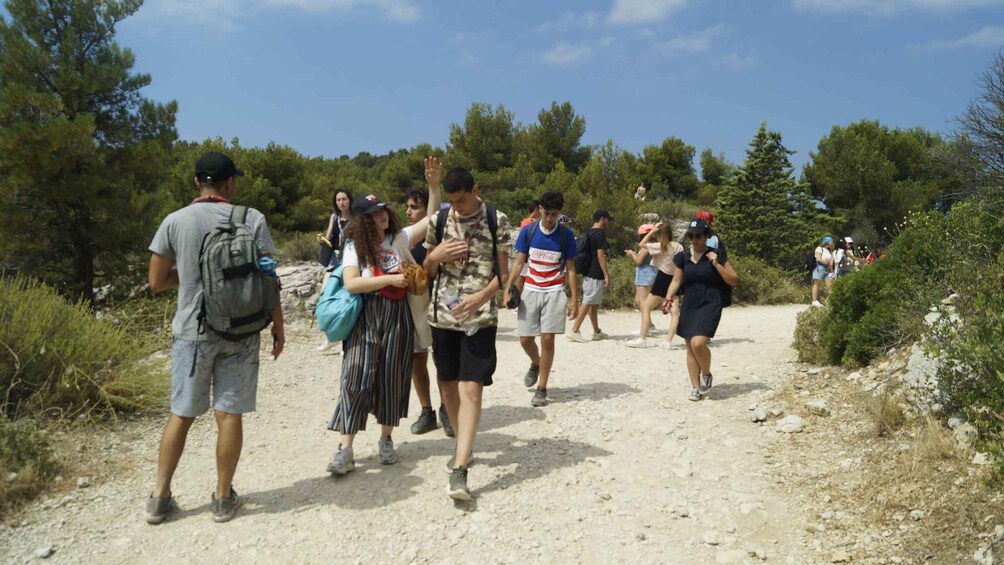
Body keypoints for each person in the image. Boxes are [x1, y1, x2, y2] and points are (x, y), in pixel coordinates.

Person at [145, 152, 285, 524]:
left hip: (193, 332)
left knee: (182, 413)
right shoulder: (251, 218)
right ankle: (223, 498)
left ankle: (160, 497)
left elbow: (156, 282)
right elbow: (268, 279)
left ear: (196, 182)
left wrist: (191, 274)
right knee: (229, 413)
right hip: (242, 329)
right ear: (230, 184)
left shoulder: (174, 221)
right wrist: (279, 326)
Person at [326, 159, 442, 476]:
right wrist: (390, 280)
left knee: (392, 377)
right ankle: (345, 448)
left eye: (383, 211)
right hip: (367, 315)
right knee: (354, 378)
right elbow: (352, 283)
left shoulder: (398, 239)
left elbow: (431, 218)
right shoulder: (354, 247)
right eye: (375, 213)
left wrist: (433, 186)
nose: (382, 215)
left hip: (398, 317)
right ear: (363, 220)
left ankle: (386, 440)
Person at [424, 166, 510, 501]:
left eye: (460, 200)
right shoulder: (439, 222)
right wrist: (435, 255)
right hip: (442, 319)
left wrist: (478, 298)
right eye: (451, 202)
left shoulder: (495, 219)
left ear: (475, 190)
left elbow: (504, 275)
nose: (456, 208)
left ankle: (460, 469)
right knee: (446, 385)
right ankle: (465, 445)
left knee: (470, 387)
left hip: (480, 319)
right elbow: (426, 270)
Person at [503, 190, 578, 407]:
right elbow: (518, 263)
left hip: (554, 290)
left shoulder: (566, 235)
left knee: (547, 339)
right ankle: (536, 363)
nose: (550, 218)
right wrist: (508, 289)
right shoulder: (529, 231)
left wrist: (574, 299)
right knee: (525, 339)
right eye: (546, 213)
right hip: (531, 290)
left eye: (554, 214)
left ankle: (542, 388)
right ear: (540, 210)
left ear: (559, 213)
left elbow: (571, 269)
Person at [664, 218, 738, 402]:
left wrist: (717, 264)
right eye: (691, 236)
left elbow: (733, 279)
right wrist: (667, 297)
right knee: (690, 347)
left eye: (698, 236)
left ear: (706, 236)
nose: (694, 240)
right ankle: (695, 388)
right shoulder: (683, 258)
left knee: (698, 343)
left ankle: (706, 373)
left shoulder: (716, 255)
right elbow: (676, 281)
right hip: (690, 302)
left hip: (711, 302)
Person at [405, 186, 453, 437]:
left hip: (439, 303)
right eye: (407, 206)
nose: (408, 211)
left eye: (414, 207)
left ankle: (447, 409)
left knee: (442, 359)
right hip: (413, 306)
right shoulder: (406, 239)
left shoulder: (442, 236)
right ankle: (427, 411)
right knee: (416, 358)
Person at [629, 223, 685, 348]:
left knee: (646, 308)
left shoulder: (659, 246)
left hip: (663, 278)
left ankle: (642, 338)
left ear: (658, 234)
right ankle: (668, 341)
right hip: (676, 278)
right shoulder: (678, 246)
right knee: (675, 312)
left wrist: (651, 232)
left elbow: (641, 244)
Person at [317, 188, 354, 353]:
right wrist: (322, 241)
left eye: (344, 199)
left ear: (350, 200)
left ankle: (345, 339)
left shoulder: (356, 217)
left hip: (351, 261)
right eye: (338, 200)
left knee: (348, 300)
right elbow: (329, 237)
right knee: (326, 294)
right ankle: (331, 337)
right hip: (335, 261)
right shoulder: (334, 217)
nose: (341, 203)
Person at [567, 210, 613, 343]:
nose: (608, 222)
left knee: (593, 302)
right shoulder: (600, 234)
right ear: (602, 219)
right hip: (595, 272)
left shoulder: (588, 232)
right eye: (607, 219)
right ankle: (575, 330)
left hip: (587, 271)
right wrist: (606, 275)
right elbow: (600, 255)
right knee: (588, 301)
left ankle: (596, 331)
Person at [624, 224, 658, 342]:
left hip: (645, 273)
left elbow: (639, 261)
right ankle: (649, 325)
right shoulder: (652, 245)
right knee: (639, 301)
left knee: (643, 303)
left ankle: (645, 328)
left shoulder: (646, 246)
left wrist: (632, 254)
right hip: (647, 273)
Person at [811, 236, 835, 306]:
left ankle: (831, 301)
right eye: (831, 241)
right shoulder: (819, 248)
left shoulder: (828, 250)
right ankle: (814, 301)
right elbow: (818, 259)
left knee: (830, 285)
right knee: (817, 284)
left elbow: (830, 263)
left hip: (826, 269)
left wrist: (832, 272)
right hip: (819, 268)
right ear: (826, 242)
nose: (832, 243)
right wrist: (826, 263)